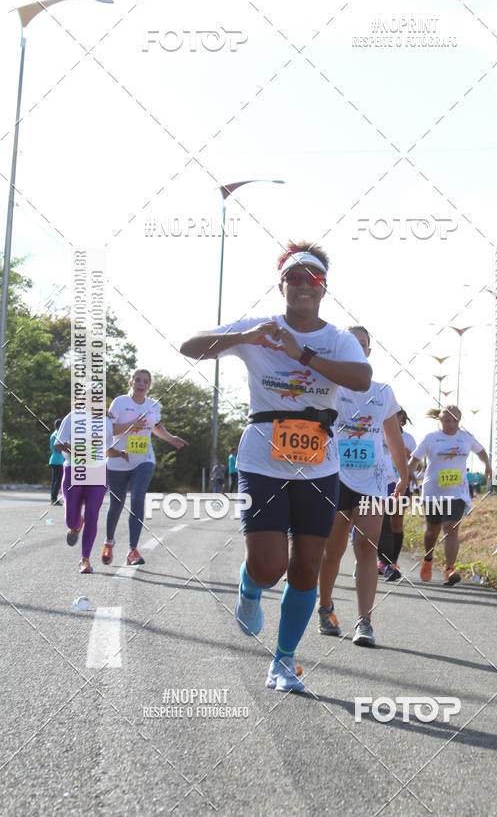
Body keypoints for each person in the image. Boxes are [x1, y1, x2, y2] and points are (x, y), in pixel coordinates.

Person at [180, 241, 371, 692]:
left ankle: (283, 663)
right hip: (263, 460)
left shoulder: (338, 339)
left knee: (307, 567)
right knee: (269, 566)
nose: (303, 285)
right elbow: (191, 346)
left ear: (325, 288)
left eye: (313, 278)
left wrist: (301, 354)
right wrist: (245, 339)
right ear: (281, 284)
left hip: (319, 465)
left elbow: (361, 380)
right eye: (294, 278)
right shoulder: (259, 327)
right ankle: (249, 590)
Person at [317, 326, 407, 646]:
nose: (356, 349)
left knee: (366, 548)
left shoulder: (382, 392)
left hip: (371, 483)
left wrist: (404, 476)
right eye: (350, 345)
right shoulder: (327, 388)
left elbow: (393, 438)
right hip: (334, 478)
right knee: (333, 550)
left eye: (362, 345)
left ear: (368, 353)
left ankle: (364, 621)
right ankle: (325, 608)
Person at [101, 369, 188, 567]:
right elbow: (111, 430)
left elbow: (157, 427)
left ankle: (132, 550)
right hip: (118, 460)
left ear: (149, 386)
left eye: (145, 381)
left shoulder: (153, 405)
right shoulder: (120, 402)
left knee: (138, 499)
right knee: (116, 505)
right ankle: (109, 541)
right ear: (131, 382)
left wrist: (170, 438)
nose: (141, 384)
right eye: (138, 380)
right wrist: (132, 424)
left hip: (144, 459)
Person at [408, 406, 492, 587]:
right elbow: (415, 459)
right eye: (448, 420)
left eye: (455, 420)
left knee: (451, 527)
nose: (452, 424)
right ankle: (428, 559)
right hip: (433, 492)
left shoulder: (466, 437)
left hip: (457, 492)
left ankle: (449, 569)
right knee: (432, 531)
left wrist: (487, 465)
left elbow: (481, 452)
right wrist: (407, 472)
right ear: (441, 420)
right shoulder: (431, 438)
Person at [54, 409, 128, 573]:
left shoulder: (106, 422)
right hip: (73, 470)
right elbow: (57, 445)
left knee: (92, 513)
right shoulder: (72, 417)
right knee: (71, 520)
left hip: (98, 471)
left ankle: (84, 559)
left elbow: (107, 450)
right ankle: (75, 524)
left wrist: (121, 454)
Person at [377, 407, 415, 581]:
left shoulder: (408, 439)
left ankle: (392, 561)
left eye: (395, 415)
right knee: (382, 522)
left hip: (399, 483)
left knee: (396, 524)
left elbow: (418, 463)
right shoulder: (377, 430)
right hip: (378, 482)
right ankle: (381, 562)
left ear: (401, 418)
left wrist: (407, 459)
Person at [49, 419, 65, 505]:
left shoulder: (53, 434)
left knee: (55, 480)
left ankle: (53, 498)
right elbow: (57, 448)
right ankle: (54, 499)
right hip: (57, 461)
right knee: (57, 481)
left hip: (55, 459)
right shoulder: (57, 435)